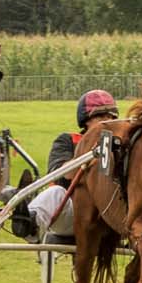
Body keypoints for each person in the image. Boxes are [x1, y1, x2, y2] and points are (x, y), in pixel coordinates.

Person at [23, 89, 121, 238]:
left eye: (111, 116)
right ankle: (29, 225)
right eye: (101, 116)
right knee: (55, 193)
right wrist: (92, 153)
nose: (107, 121)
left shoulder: (121, 145)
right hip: (74, 214)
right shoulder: (67, 140)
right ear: (86, 120)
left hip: (112, 216)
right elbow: (61, 175)